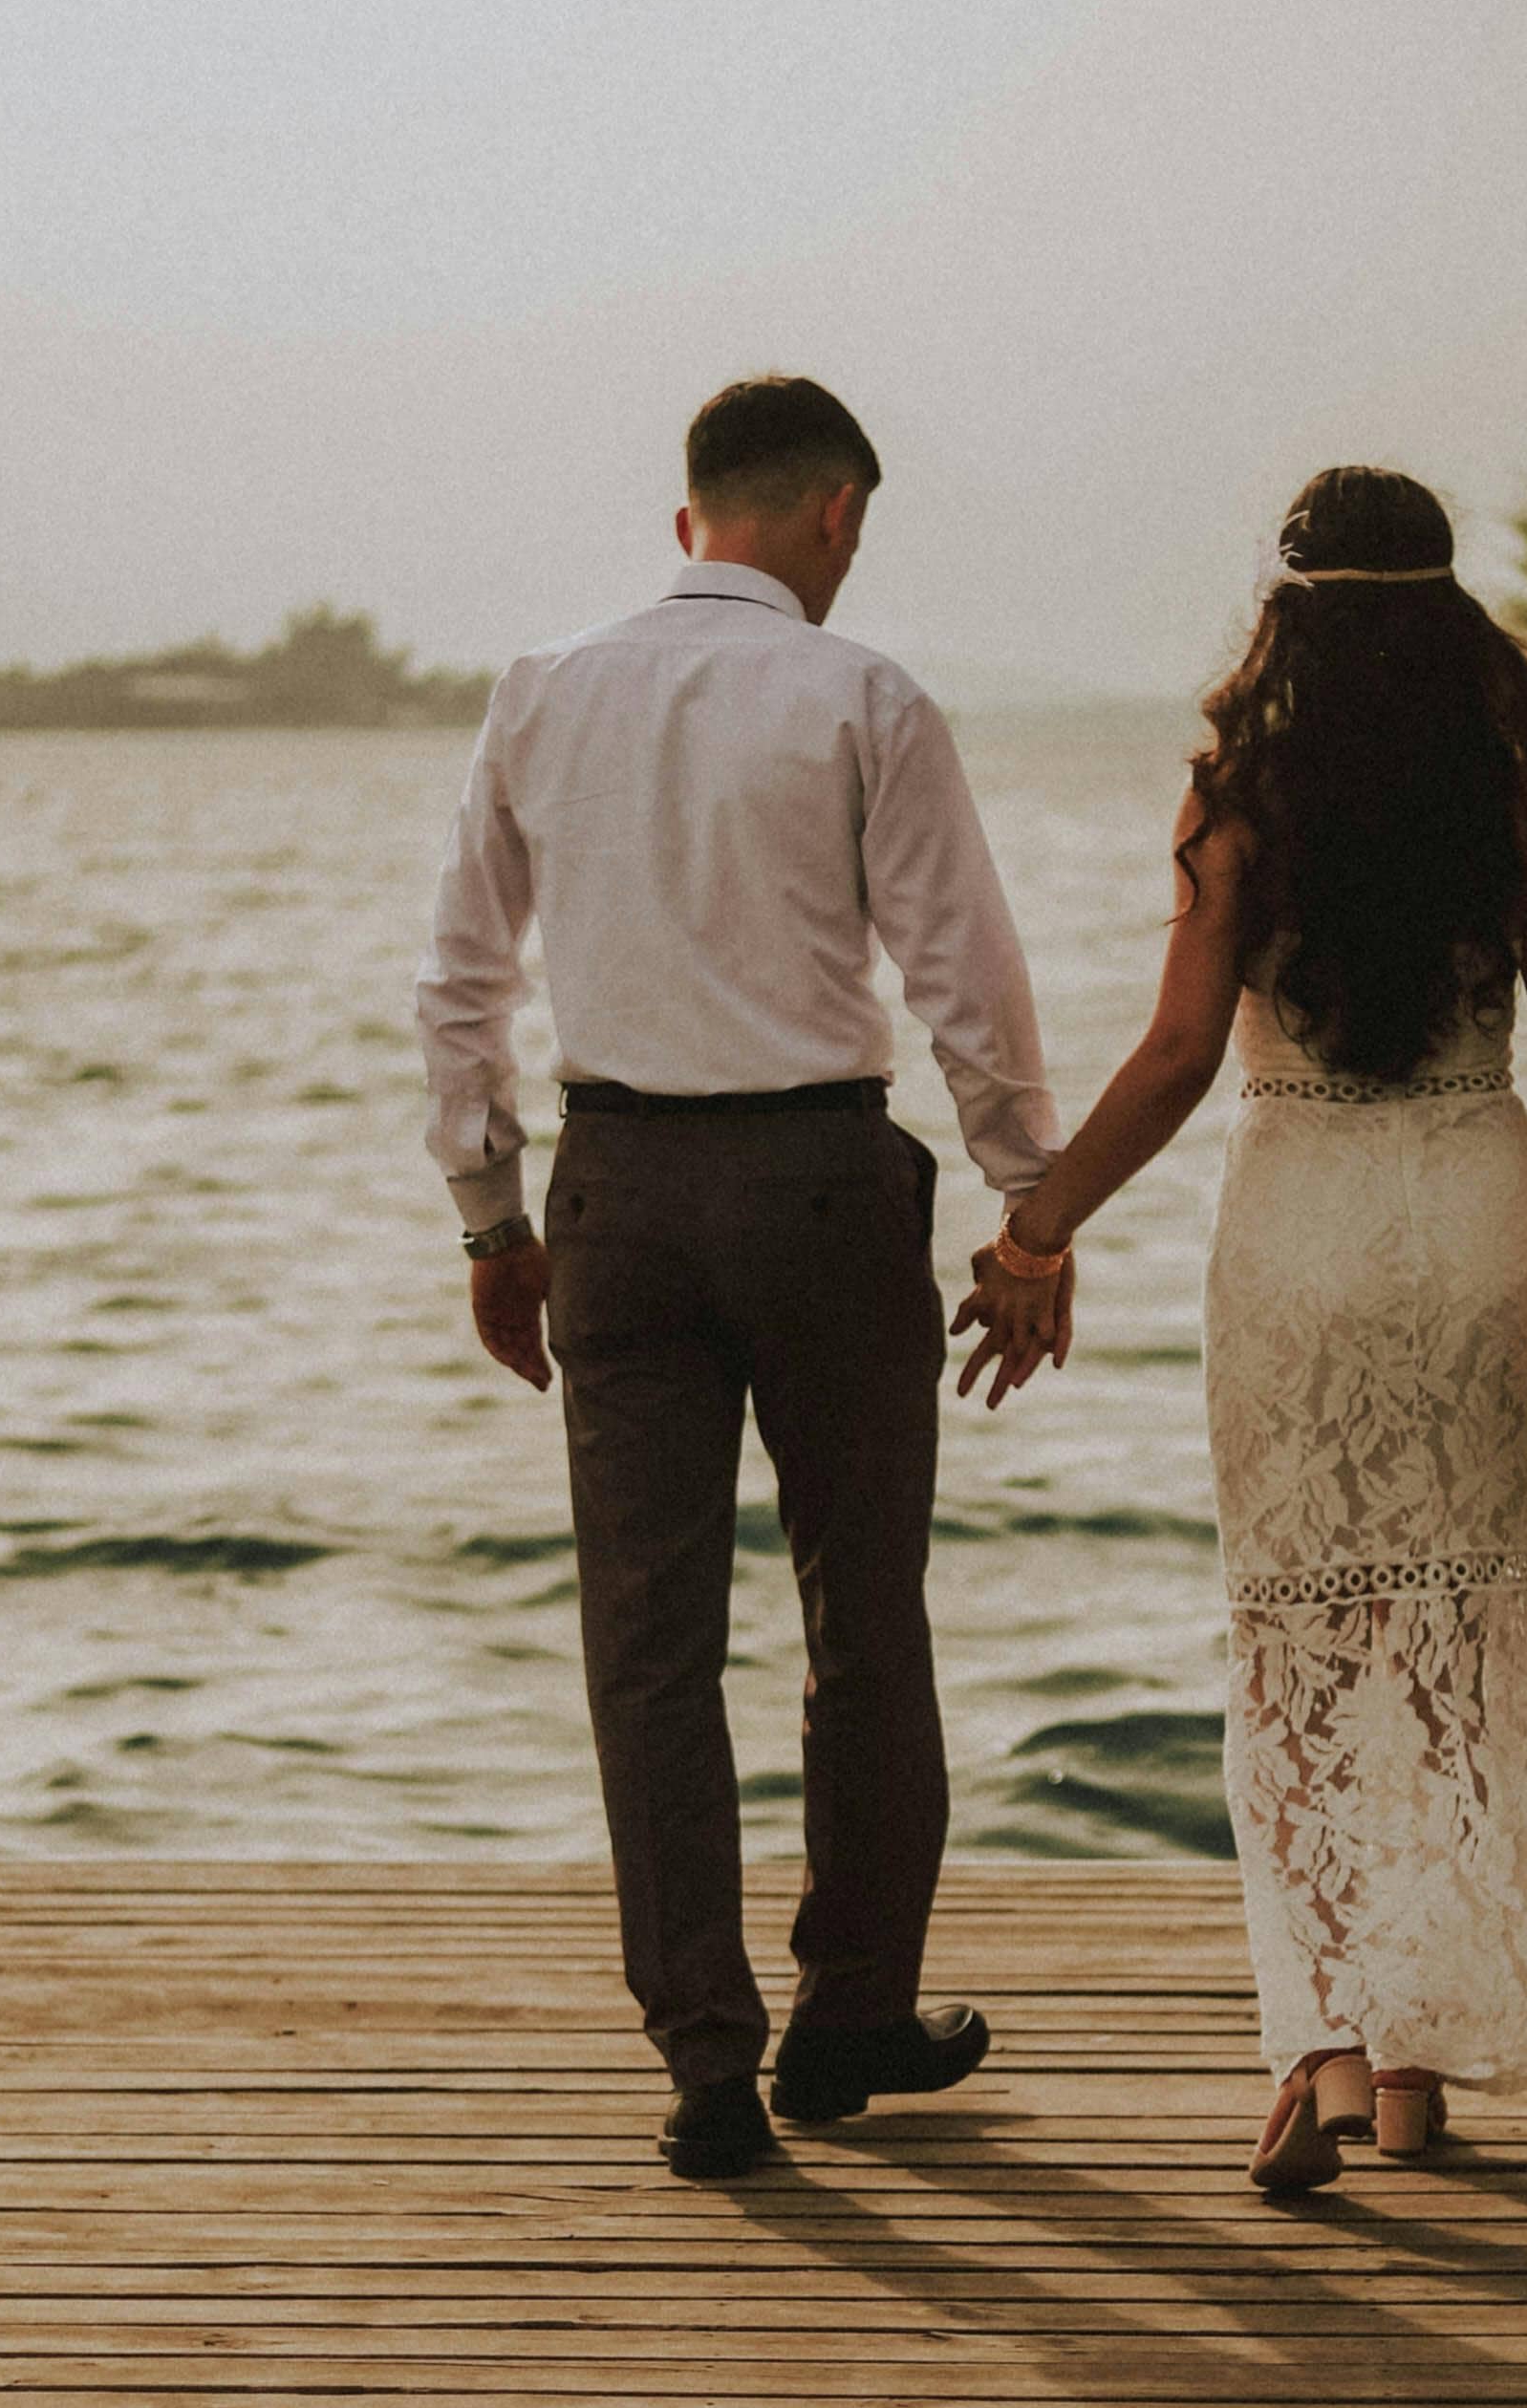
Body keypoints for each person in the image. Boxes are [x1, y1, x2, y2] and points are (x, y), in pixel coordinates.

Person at [950, 465, 1527, 2193]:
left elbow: (1175, 1055)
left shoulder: (1244, 797)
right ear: (1452, 614)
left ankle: (1325, 2046)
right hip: (1475, 1218)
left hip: (1301, 1227)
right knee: (1455, 1630)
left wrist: (1034, 1230)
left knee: (1299, 1642)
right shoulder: (1519, 789)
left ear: (1288, 611)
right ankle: (1419, 2068)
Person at [417, 376, 1064, 2181]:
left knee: (647, 1639)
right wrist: (1030, 1209)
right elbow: (965, 977)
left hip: (615, 1190)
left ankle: (704, 2060)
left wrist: (490, 1216)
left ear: (685, 514)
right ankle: (847, 2022)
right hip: (819, 1189)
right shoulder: (863, 695)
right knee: (865, 1617)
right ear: (838, 512)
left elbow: (459, 981)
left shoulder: (542, 689)